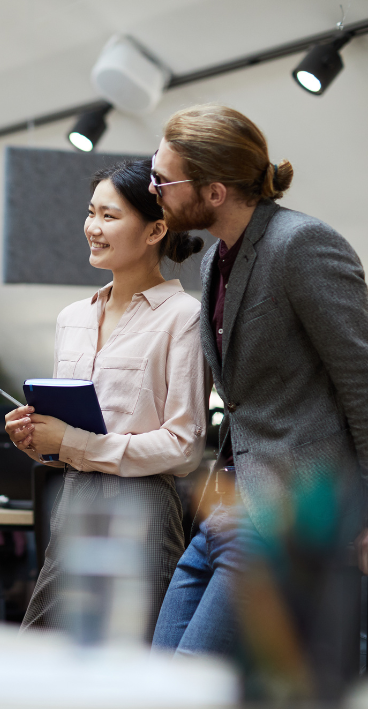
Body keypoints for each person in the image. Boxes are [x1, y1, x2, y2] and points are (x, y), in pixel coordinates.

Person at [148, 105, 368, 670]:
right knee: (155, 678)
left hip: (289, 518)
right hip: (228, 509)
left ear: (214, 191)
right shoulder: (215, 261)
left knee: (192, 684)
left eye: (164, 180)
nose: (154, 190)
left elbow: (363, 384)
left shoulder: (302, 245)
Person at [6, 159, 207, 641]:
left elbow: (182, 447)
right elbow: (64, 438)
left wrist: (71, 441)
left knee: (128, 668)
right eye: (91, 212)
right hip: (73, 498)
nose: (93, 228)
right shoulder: (71, 317)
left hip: (143, 507)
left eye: (110, 216)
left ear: (157, 228)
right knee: (42, 653)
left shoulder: (185, 316)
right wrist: (34, 437)